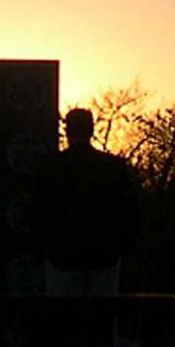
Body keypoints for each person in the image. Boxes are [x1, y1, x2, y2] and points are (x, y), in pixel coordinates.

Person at [33, 108, 140, 297]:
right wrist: (121, 248)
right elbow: (129, 210)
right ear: (91, 130)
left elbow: (40, 211)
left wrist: (45, 249)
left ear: (67, 131)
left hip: (62, 257)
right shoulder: (113, 166)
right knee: (101, 320)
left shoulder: (51, 167)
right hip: (104, 257)